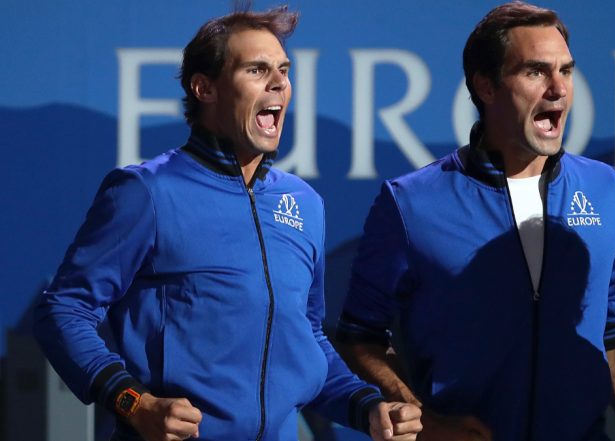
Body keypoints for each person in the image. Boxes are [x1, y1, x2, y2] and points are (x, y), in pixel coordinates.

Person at [33, 6, 422, 441]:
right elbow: (63, 309)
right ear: (205, 88)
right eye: (257, 69)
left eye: (284, 70)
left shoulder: (304, 203)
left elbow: (305, 342)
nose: (278, 83)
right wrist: (133, 403)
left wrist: (368, 407)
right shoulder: (146, 192)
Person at [335, 2, 615, 440]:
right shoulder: (410, 203)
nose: (558, 89)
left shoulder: (604, 187)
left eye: (566, 70)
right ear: (485, 86)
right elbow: (359, 336)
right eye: (535, 72)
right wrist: (425, 423)